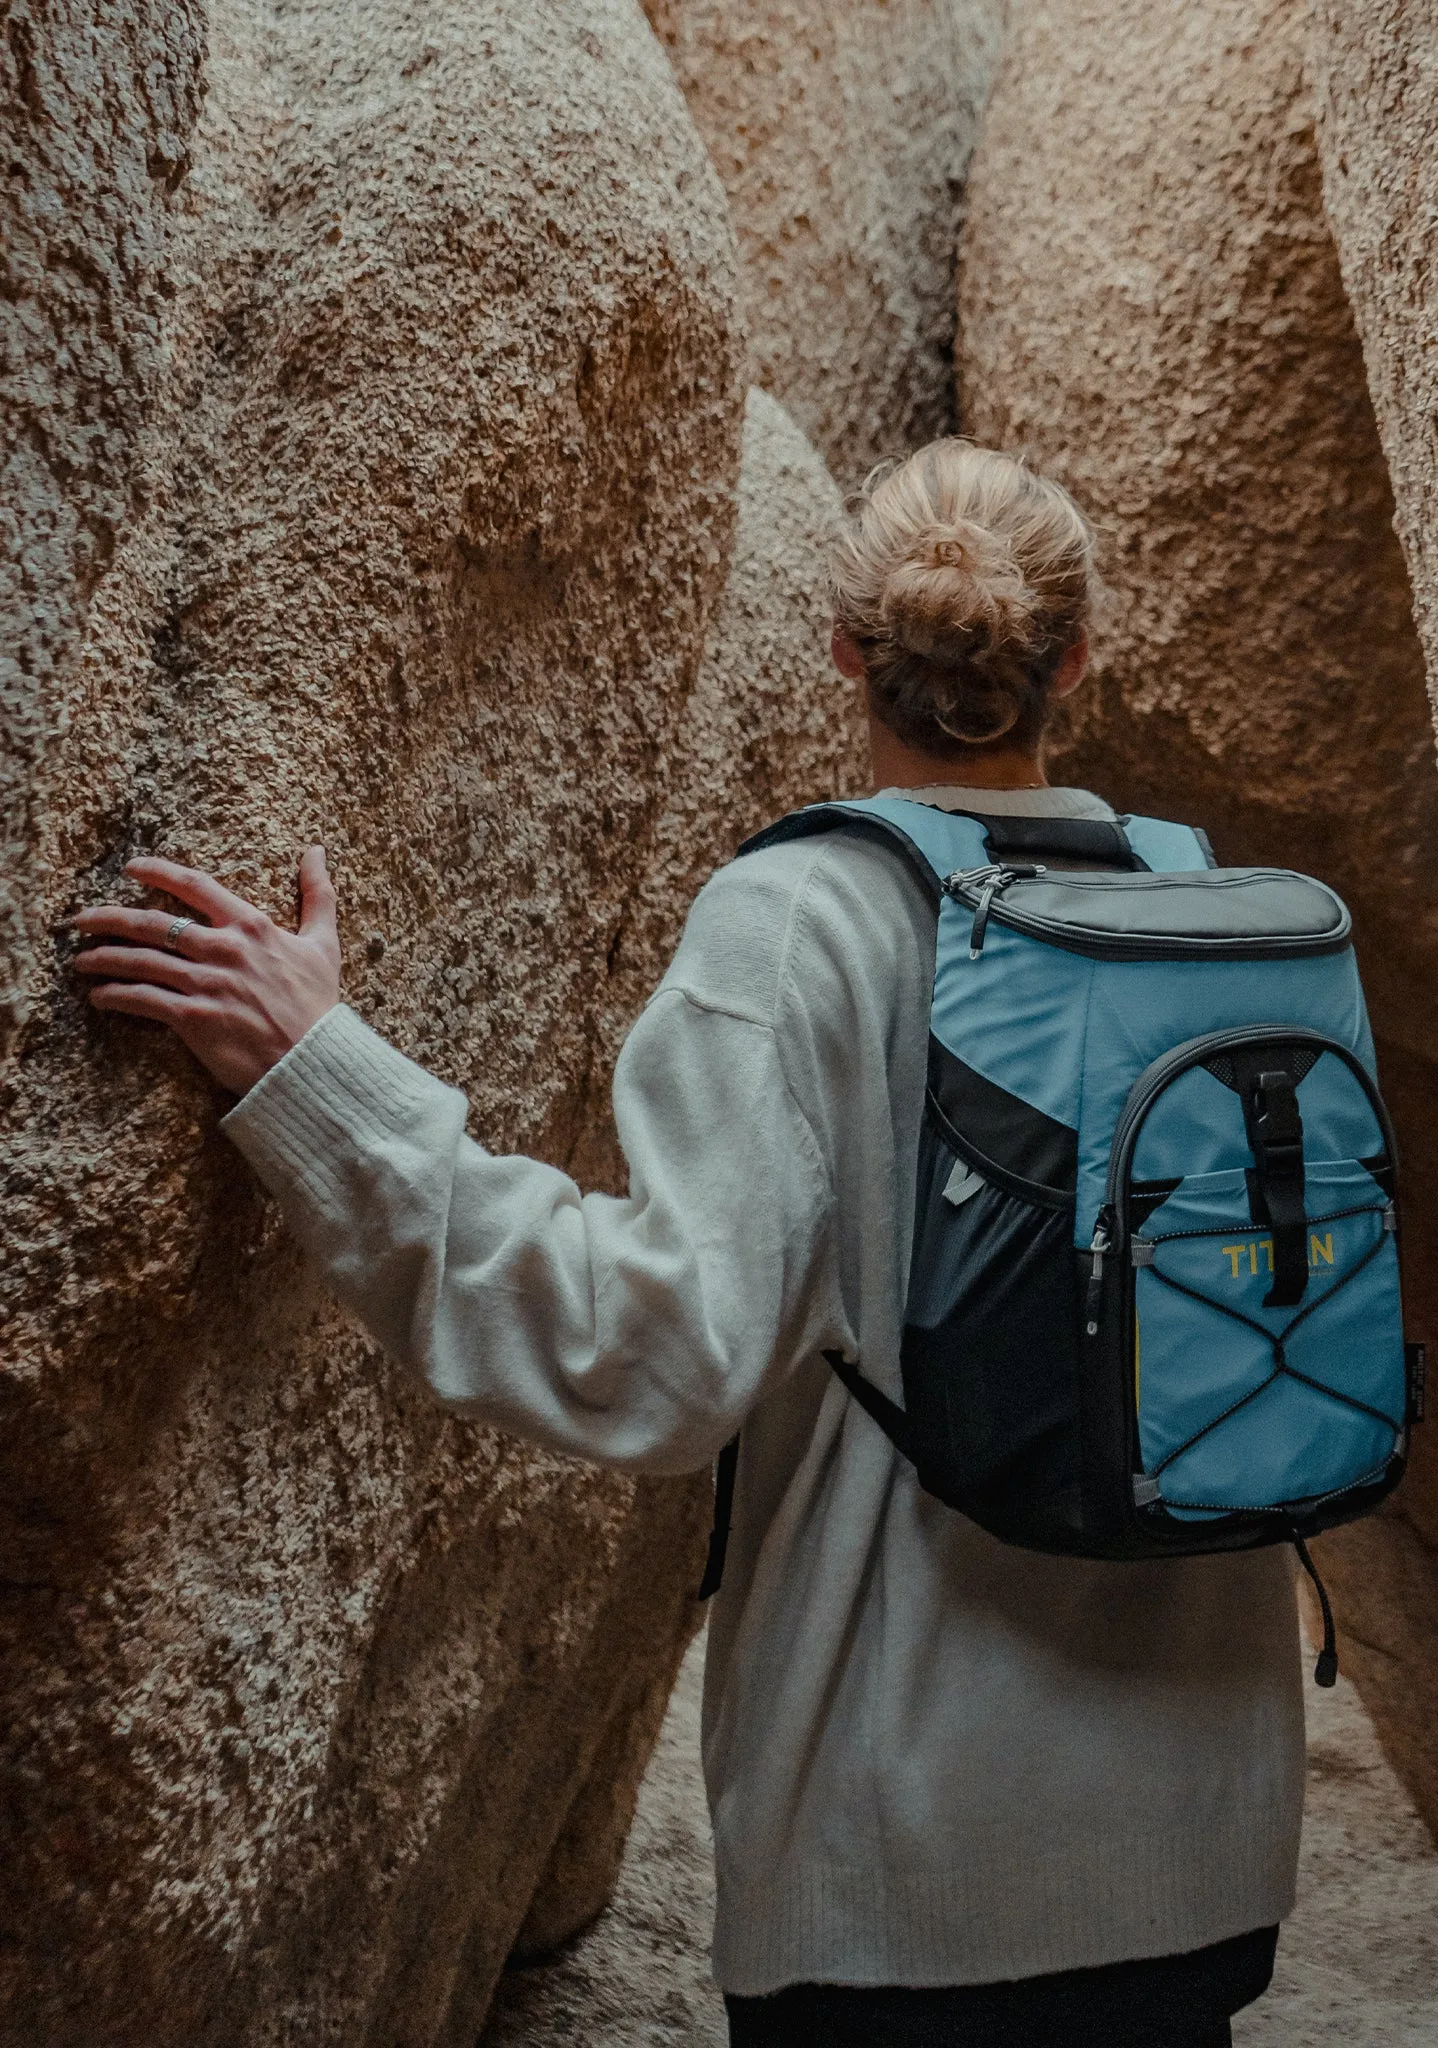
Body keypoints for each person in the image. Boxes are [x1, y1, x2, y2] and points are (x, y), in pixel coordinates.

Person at [72, 441, 1304, 2047]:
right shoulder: (1204, 906)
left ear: (846, 647)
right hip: (1202, 1840)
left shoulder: (800, 922)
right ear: (1079, 656)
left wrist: (323, 1081)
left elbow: (653, 1354)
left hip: (911, 1875)